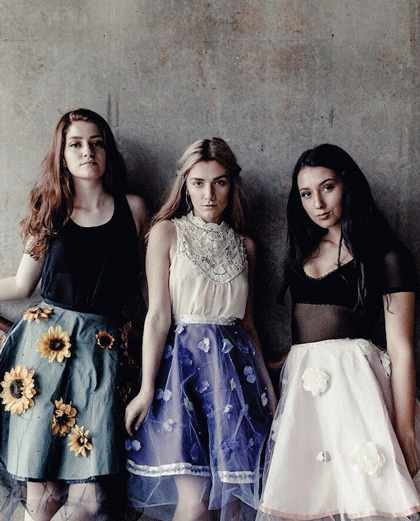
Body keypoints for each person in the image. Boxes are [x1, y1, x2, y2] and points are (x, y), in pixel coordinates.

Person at [258, 144, 420, 521]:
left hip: (357, 392)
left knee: (366, 498)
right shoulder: (302, 250)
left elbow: (402, 347)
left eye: (327, 187)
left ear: (348, 185)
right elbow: (308, 341)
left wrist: (406, 431)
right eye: (306, 193)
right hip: (307, 397)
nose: (318, 203)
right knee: (310, 500)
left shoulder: (386, 255)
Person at [0, 108, 148, 521]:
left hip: (103, 355)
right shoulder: (50, 209)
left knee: (92, 497)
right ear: (61, 154)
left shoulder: (134, 209)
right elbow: (20, 284)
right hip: (44, 353)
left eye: (97, 142)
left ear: (108, 150)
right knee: (42, 488)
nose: (88, 151)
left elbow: (148, 294)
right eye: (76, 143)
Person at [125, 137, 276, 521]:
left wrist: (269, 390)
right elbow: (158, 315)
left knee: (235, 502)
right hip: (182, 371)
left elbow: (248, 325)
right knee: (195, 501)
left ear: (232, 185)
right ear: (185, 185)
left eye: (220, 182)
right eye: (198, 183)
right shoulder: (166, 233)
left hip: (237, 379)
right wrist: (145, 391)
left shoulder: (247, 246)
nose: (209, 194)